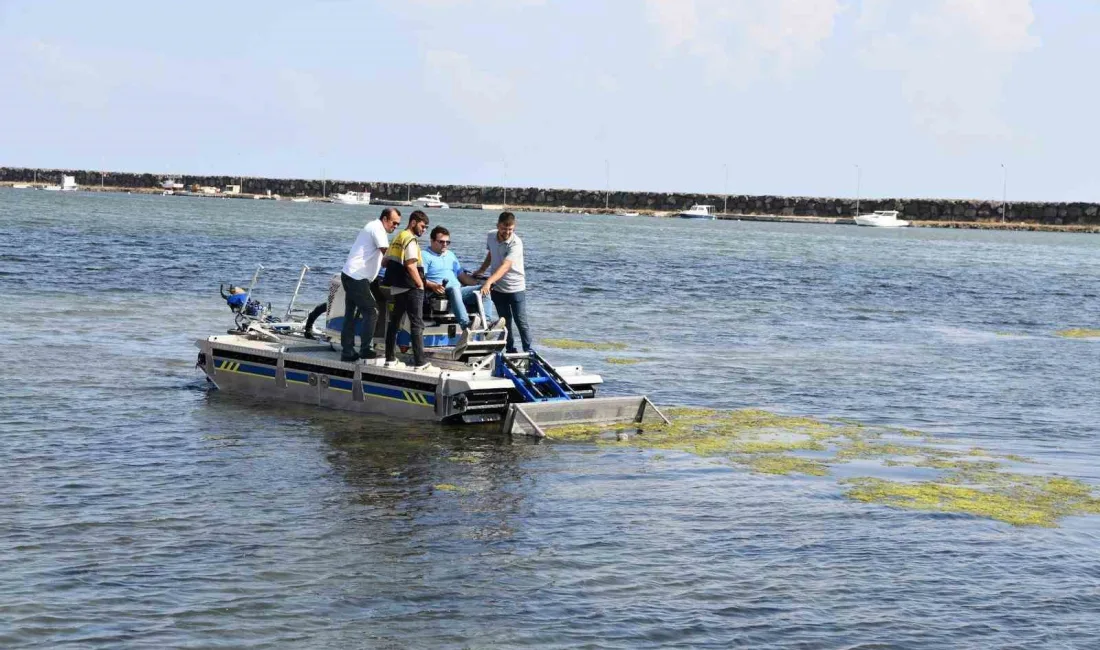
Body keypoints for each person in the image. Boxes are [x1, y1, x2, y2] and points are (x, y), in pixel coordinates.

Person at [339, 208, 402, 362]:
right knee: (372, 311)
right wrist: (405, 265)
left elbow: (382, 258)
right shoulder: (377, 228)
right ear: (385, 219)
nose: (395, 227)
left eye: (398, 225)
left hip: (352, 275)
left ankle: (347, 351)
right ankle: (365, 350)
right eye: (394, 223)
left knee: (351, 314)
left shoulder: (374, 227)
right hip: (356, 278)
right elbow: (387, 254)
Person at [381, 210, 431, 370]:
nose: (424, 230)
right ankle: (420, 362)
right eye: (423, 226)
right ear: (413, 222)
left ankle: (389, 358)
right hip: (411, 287)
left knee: (394, 322)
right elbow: (410, 265)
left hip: (397, 286)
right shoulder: (410, 239)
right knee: (417, 324)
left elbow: (384, 262)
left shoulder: (398, 237)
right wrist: (420, 284)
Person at [475, 211, 531, 353]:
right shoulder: (491, 236)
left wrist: (488, 282)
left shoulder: (516, 243)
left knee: (521, 322)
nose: (507, 232)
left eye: (510, 229)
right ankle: (510, 349)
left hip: (516, 287)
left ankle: (528, 351)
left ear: (514, 228)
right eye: (504, 228)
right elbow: (491, 254)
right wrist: (481, 270)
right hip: (499, 289)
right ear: (497, 226)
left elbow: (505, 266)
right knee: (505, 322)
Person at [422, 226, 485, 330]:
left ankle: (486, 324)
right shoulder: (424, 255)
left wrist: (480, 283)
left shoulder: (450, 255)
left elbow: (462, 277)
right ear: (432, 241)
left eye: (447, 242)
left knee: (484, 289)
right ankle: (466, 325)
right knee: (455, 289)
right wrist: (432, 285)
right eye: (441, 242)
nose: (445, 244)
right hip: (439, 292)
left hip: (458, 291)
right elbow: (420, 278)